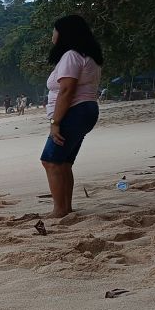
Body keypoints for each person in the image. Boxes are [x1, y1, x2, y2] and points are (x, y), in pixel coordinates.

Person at [41, 14, 104, 218]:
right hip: (86, 111)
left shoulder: (71, 55)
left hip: (74, 112)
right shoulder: (88, 56)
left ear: (64, 33)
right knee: (64, 162)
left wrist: (55, 122)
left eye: (55, 30)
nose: (53, 34)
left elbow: (66, 90)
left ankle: (59, 210)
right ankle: (66, 208)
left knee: (50, 161)